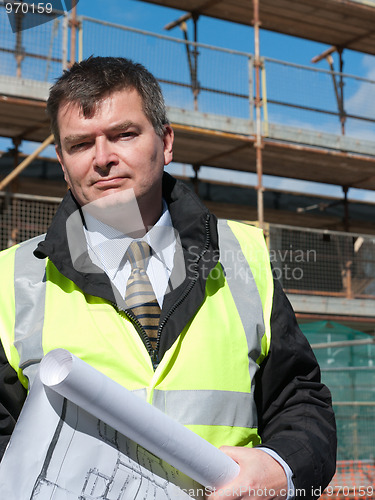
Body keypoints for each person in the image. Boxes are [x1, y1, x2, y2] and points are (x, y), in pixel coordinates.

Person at [0, 56, 336, 499]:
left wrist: (281, 469)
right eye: (81, 144)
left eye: (124, 134)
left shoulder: (244, 256)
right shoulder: (11, 278)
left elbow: (300, 399)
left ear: (166, 141)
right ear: (62, 163)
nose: (103, 158)